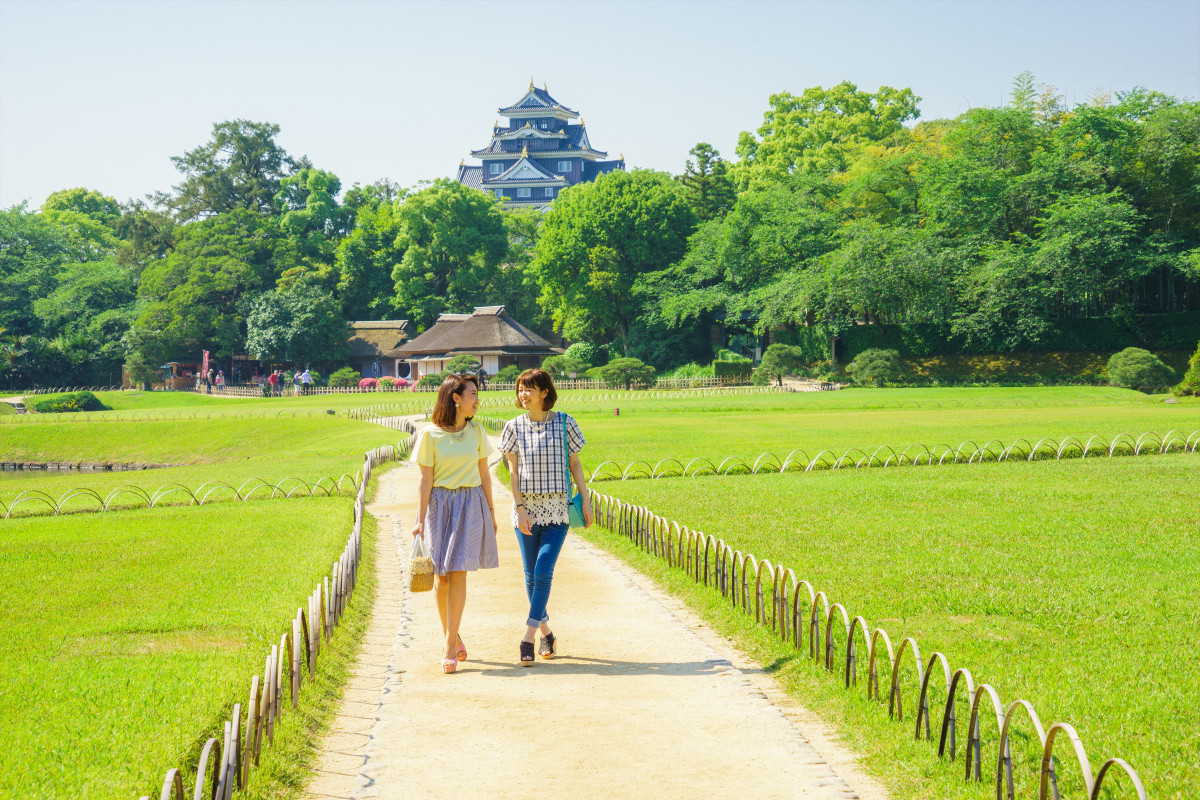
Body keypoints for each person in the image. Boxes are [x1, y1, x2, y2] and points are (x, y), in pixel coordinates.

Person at [498, 368, 593, 665]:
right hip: (526, 509)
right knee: (530, 576)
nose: (523, 395)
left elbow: (575, 464)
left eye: (529, 389)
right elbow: (512, 473)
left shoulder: (565, 423)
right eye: (520, 389)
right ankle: (547, 632)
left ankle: (528, 637)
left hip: (557, 510)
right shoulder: (513, 427)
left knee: (542, 570)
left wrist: (585, 499)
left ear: (545, 393)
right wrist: (519, 508)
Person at [411, 373, 498, 674]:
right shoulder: (429, 435)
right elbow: (425, 481)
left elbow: (485, 475)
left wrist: (491, 511)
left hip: (471, 505)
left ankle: (448, 645)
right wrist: (419, 519)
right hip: (439, 507)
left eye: (477, 393)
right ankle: (453, 633)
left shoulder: (477, 432)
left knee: (458, 572)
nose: (477, 398)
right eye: (472, 393)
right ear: (455, 398)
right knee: (441, 577)